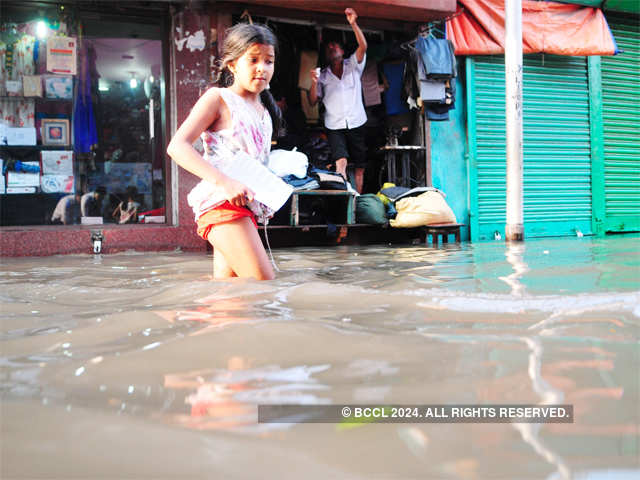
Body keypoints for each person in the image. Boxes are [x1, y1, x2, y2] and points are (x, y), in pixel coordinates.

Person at [166, 23, 284, 281]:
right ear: (232, 65)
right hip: (221, 204)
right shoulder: (218, 98)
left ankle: (179, 319)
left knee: (229, 298)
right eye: (253, 60)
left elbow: (255, 164)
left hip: (244, 209)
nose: (262, 68)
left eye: (269, 61)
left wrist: (263, 198)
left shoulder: (266, 112)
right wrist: (226, 183)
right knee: (264, 288)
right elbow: (177, 146)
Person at [309, 7, 368, 193]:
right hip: (334, 125)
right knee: (340, 162)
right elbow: (312, 101)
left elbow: (363, 47)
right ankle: (343, 200)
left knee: (359, 165)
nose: (332, 48)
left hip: (357, 121)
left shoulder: (353, 66)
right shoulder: (323, 76)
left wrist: (353, 24)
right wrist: (313, 82)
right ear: (326, 55)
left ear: (342, 51)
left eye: (335, 46)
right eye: (329, 48)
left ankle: (357, 200)